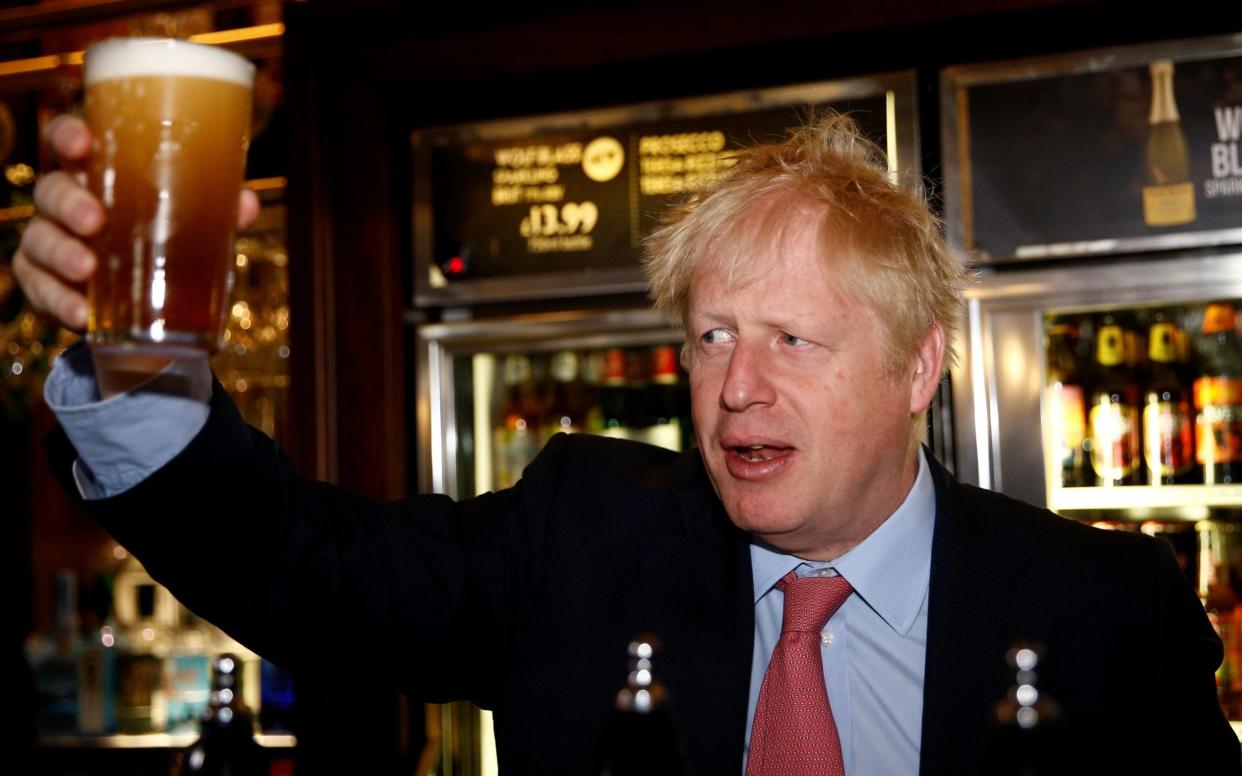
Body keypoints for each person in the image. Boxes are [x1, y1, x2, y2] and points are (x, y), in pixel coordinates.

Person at [16, 112, 1240, 775]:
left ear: (918, 365)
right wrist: (138, 356)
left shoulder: (1109, 610)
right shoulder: (583, 530)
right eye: (711, 336)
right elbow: (305, 563)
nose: (737, 388)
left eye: (793, 340)